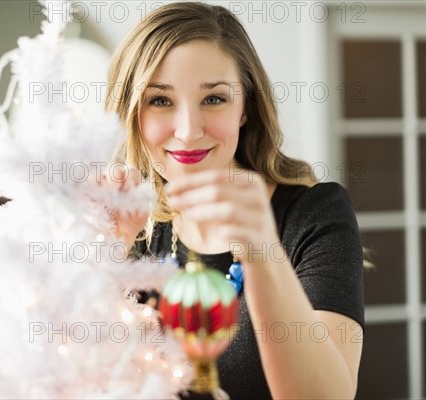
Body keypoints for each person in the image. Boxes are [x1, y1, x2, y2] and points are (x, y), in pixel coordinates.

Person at [104, 2, 365, 399]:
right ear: (130, 112)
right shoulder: (129, 225)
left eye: (214, 99)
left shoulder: (314, 214)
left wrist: (261, 251)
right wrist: (106, 257)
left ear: (245, 108)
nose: (189, 131)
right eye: (160, 100)